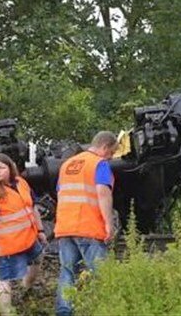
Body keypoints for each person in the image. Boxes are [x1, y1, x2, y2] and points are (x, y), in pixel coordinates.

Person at [54, 131, 118, 316]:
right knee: (102, 273)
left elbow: (60, 193)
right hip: (88, 227)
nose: (111, 157)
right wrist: (109, 224)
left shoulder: (67, 164)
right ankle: (107, 310)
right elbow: (103, 193)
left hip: (65, 227)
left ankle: (64, 311)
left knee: (67, 272)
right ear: (104, 147)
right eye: (112, 152)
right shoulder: (99, 163)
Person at [0, 154, 47, 316]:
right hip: (9, 244)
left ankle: (26, 289)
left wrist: (41, 230)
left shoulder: (21, 183)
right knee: (5, 279)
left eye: (1, 167)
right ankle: (6, 312)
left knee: (38, 260)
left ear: (10, 168)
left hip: (29, 238)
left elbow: (33, 208)